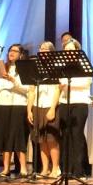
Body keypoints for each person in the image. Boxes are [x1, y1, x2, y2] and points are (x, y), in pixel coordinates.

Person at [0, 43, 30, 178]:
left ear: (21, 54)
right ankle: (6, 168)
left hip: (19, 104)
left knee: (18, 135)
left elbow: (27, 88)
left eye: (15, 51)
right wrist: (10, 84)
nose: (11, 53)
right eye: (10, 50)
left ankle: (23, 168)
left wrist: (13, 81)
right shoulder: (2, 67)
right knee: (5, 135)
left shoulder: (24, 68)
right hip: (2, 103)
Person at [58, 39, 92, 178]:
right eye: (66, 50)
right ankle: (66, 169)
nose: (68, 52)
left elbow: (87, 82)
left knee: (76, 135)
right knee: (65, 135)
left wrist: (67, 84)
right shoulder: (61, 65)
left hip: (79, 102)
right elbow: (60, 82)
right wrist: (64, 84)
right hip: (64, 101)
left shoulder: (83, 63)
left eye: (71, 49)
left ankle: (78, 170)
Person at [28, 41, 61, 178]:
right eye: (40, 48)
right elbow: (31, 90)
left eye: (45, 49)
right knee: (41, 139)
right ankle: (45, 168)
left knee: (51, 138)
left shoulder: (56, 67)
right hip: (37, 105)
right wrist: (29, 109)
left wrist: (53, 108)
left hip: (50, 105)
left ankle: (55, 168)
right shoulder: (36, 67)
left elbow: (58, 89)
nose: (42, 51)